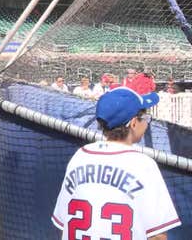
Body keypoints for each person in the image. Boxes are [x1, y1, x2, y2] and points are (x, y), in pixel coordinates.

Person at [51, 87, 181, 240]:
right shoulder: (143, 165)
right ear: (133, 123)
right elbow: (157, 236)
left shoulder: (80, 156)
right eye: (145, 117)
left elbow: (63, 224)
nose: (147, 121)